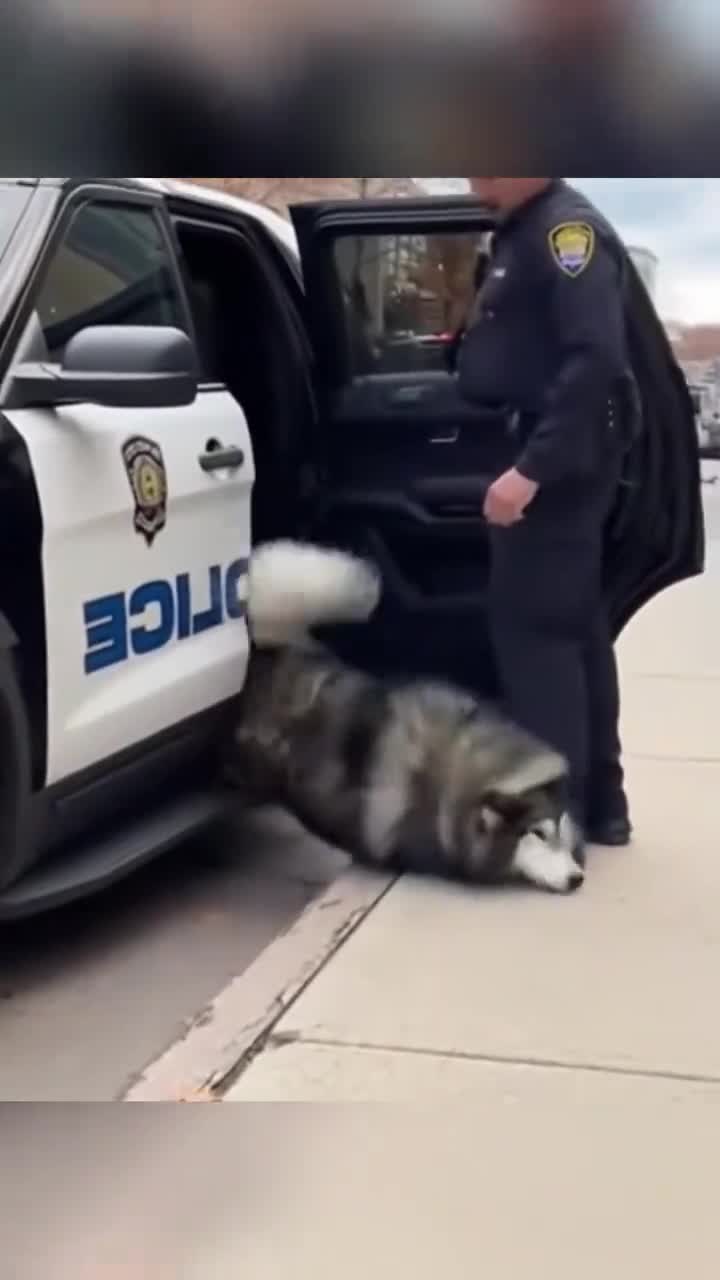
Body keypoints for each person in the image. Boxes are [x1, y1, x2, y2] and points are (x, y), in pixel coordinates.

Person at [457, 177, 633, 858]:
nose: (469, 174)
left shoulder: (566, 232)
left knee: (535, 640)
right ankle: (602, 808)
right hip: (555, 460)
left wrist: (531, 471)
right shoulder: (525, 230)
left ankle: (552, 827)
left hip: (556, 470)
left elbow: (595, 359)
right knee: (575, 634)